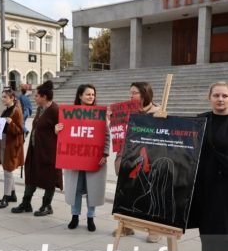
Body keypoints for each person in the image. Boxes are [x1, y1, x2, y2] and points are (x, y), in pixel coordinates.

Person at [189, 82, 228, 251]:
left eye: (224, 96)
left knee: (226, 221)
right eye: (216, 95)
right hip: (205, 179)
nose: (220, 99)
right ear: (210, 97)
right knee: (206, 219)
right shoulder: (201, 120)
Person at [55, 84, 109, 232]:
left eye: (93, 94)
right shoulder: (69, 114)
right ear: (80, 96)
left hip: (94, 158)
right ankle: (75, 216)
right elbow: (64, 136)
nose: (91, 97)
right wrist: (57, 130)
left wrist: (105, 154)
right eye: (88, 94)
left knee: (93, 189)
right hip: (75, 158)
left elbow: (106, 135)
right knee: (76, 189)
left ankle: (91, 217)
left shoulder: (99, 114)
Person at [112, 81, 161, 242]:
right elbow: (119, 131)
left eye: (134, 93)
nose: (131, 96)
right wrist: (113, 118)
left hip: (148, 157)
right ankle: (126, 226)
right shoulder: (126, 110)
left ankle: (154, 229)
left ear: (144, 94)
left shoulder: (158, 111)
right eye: (130, 93)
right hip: (128, 155)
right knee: (126, 191)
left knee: (149, 191)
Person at [12, 80, 62, 216]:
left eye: (37, 96)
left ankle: (47, 205)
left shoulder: (55, 110)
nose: (34, 98)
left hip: (49, 153)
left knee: (50, 178)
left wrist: (57, 131)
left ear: (44, 97)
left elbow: (63, 131)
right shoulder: (40, 109)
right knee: (31, 175)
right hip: (35, 151)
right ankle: (26, 203)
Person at [0, 89, 25, 208]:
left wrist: (11, 123)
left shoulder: (16, 111)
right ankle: (12, 194)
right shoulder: (6, 110)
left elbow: (20, 130)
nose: (2, 99)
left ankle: (6, 196)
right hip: (3, 142)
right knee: (7, 169)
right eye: (2, 97)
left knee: (8, 170)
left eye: (5, 97)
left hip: (10, 144)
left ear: (12, 98)